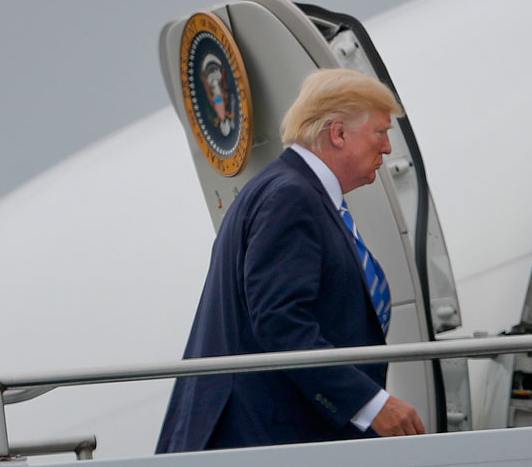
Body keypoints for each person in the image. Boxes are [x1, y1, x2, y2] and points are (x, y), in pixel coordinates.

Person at [156, 68, 425, 452]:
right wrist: (369, 403)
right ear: (338, 133)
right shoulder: (292, 197)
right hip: (263, 439)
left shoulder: (287, 189)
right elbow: (280, 321)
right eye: (381, 132)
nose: (386, 147)